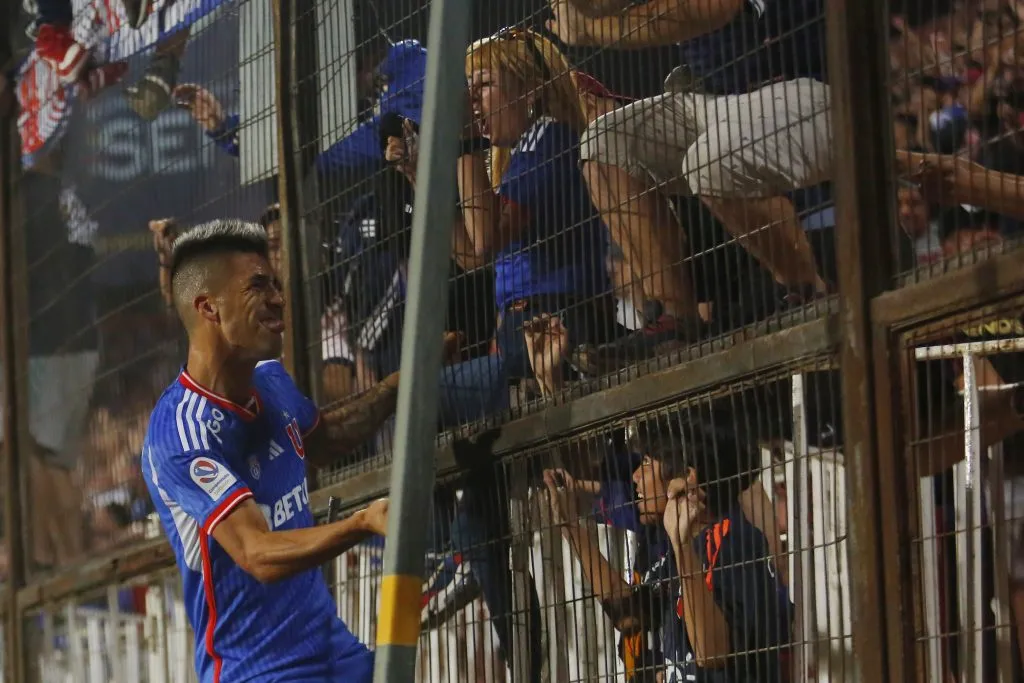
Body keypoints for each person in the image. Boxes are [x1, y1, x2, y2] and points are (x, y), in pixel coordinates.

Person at [141, 219, 406, 682]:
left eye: (276, 285)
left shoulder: (271, 380)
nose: (278, 299)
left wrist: (399, 387)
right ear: (209, 308)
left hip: (334, 653)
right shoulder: (180, 434)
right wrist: (362, 523)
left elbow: (326, 439)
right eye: (258, 286)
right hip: (258, 672)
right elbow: (257, 553)